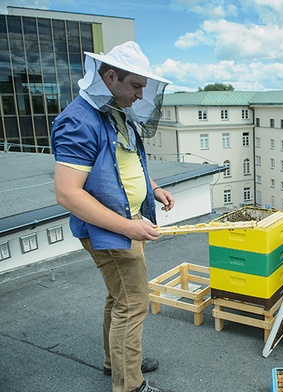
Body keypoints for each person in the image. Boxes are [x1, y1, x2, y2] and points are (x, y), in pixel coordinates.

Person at [51, 41, 174, 392]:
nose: (140, 95)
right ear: (110, 76)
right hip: (111, 231)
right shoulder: (78, 121)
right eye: (135, 85)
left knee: (118, 298)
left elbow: (125, 163)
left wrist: (152, 188)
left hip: (125, 223)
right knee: (133, 304)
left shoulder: (114, 110)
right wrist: (128, 227)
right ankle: (129, 384)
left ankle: (115, 361)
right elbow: (67, 192)